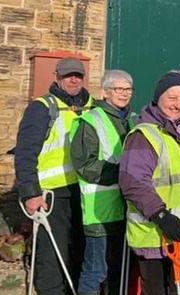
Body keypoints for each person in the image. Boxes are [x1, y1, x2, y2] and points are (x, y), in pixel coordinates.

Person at [119, 72, 180, 295]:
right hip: (155, 232)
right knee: (155, 290)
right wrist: (160, 215)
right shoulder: (144, 135)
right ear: (158, 98)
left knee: (177, 290)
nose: (178, 105)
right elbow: (133, 182)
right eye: (172, 98)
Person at [14, 56, 93, 294]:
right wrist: (30, 193)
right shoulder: (42, 108)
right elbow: (25, 154)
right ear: (56, 77)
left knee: (80, 248)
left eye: (77, 75)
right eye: (67, 75)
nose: (73, 80)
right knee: (51, 251)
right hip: (51, 194)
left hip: (83, 191)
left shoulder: (92, 106)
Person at [70, 69, 135, 295]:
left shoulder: (131, 120)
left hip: (127, 208)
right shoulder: (90, 121)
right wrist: (124, 173)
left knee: (118, 270)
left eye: (128, 89)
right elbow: (85, 166)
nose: (124, 93)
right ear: (105, 92)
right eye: (119, 89)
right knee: (95, 271)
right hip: (101, 209)